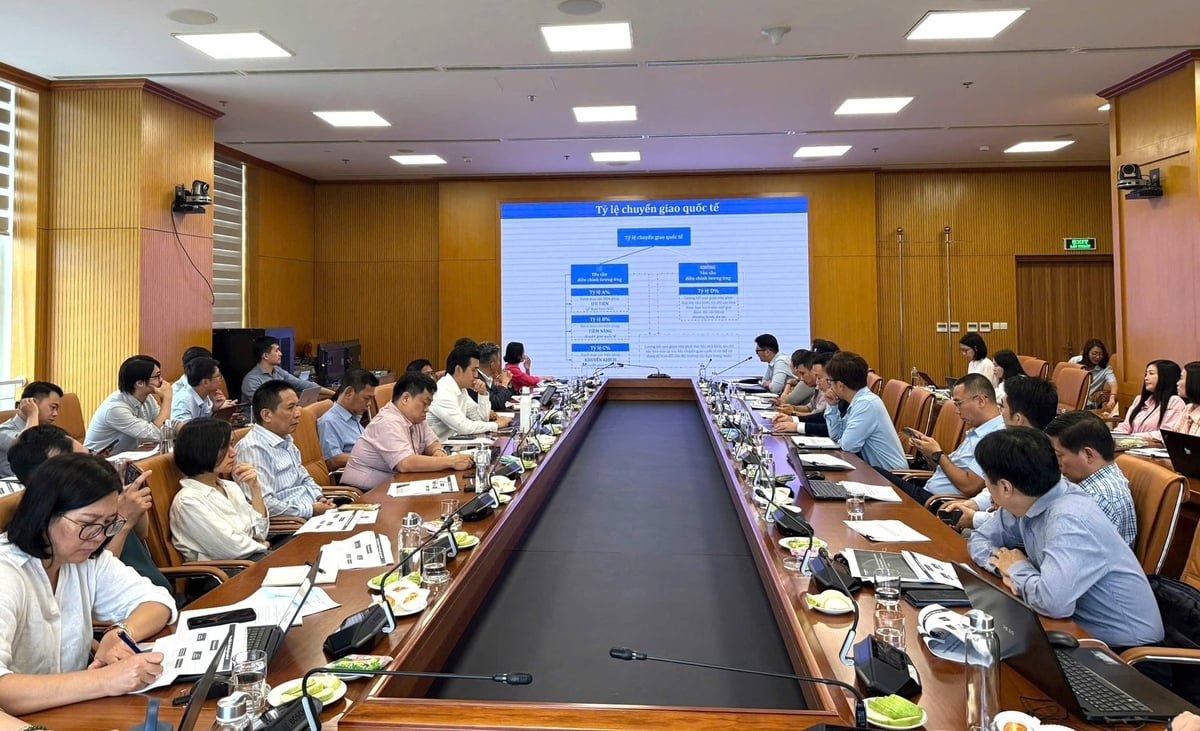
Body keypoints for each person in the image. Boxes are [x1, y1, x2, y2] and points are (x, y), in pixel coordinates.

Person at [0, 453, 175, 715]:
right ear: (44, 513)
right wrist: (106, 680)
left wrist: (120, 633)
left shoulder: (84, 559)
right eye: (88, 524)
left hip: (72, 711)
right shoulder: (7, 574)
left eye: (108, 524)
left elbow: (158, 601)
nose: (100, 537)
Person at [966, 428, 1162, 649]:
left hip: (1124, 654)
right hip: (1067, 629)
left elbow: (1053, 603)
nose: (986, 487)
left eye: (986, 480)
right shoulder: (1029, 498)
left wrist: (1016, 569)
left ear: (1004, 487)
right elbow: (979, 539)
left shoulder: (1068, 519)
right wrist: (1003, 565)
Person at [8, 426, 169, 594]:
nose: (93, 466)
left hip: (147, 591)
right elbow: (93, 580)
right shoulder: (53, 530)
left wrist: (122, 496)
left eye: (90, 457)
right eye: (81, 462)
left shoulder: (99, 501)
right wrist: (124, 519)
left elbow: (142, 534)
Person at [944, 376, 1059, 529]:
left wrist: (974, 518)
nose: (999, 412)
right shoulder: (1016, 446)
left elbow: (1019, 521)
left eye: (1002, 406)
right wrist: (974, 504)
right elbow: (994, 487)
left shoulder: (1043, 458)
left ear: (1018, 418)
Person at [341, 372, 474, 488]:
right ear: (405, 398)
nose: (427, 408)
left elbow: (432, 442)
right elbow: (405, 463)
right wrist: (450, 461)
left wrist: (438, 453)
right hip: (362, 493)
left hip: (395, 485)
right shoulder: (388, 422)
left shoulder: (415, 417)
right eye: (425, 403)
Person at [887, 374, 1004, 504]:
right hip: (928, 491)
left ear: (981, 401)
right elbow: (948, 468)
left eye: (959, 403)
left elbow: (970, 487)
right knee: (876, 478)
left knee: (877, 475)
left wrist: (939, 454)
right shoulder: (977, 430)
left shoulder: (995, 437)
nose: (957, 411)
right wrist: (929, 453)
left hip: (938, 502)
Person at [170, 418, 269, 562]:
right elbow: (233, 548)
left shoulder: (230, 486)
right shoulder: (188, 501)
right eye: (225, 448)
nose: (233, 453)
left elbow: (260, 533)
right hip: (222, 572)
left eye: (232, 445)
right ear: (202, 451)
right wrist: (261, 546)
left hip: (251, 559)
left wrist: (255, 488)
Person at [236, 381, 334, 518]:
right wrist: (311, 509)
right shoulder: (253, 449)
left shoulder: (285, 438)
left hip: (312, 513)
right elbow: (265, 504)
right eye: (290, 408)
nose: (298, 413)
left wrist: (318, 497)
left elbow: (304, 478)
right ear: (267, 415)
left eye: (297, 406)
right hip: (290, 526)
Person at [1044, 411, 1137, 547]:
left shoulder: (1098, 499)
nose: (1056, 463)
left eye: (1059, 455)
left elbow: (1072, 560)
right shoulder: (1093, 478)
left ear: (1088, 454)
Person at [821, 352, 908, 470]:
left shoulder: (866, 404)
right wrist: (832, 406)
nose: (829, 386)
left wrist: (841, 441)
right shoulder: (859, 400)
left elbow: (848, 446)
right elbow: (836, 435)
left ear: (841, 385)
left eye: (830, 381)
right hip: (873, 471)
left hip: (891, 476)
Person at [84, 356, 172, 454]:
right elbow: (157, 434)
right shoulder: (115, 409)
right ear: (139, 383)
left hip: (125, 458)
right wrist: (167, 398)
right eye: (157, 376)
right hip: (98, 462)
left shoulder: (147, 398)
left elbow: (164, 426)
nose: (161, 380)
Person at [428, 346, 512, 441]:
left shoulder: (461, 389)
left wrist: (483, 394)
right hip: (437, 451)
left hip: (454, 445)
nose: (476, 375)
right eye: (473, 370)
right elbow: (463, 427)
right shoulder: (443, 391)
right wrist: (496, 424)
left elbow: (480, 419)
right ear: (458, 370)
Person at [239, 336, 331, 415]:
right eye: (276, 351)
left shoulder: (278, 371)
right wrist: (293, 405)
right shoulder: (251, 380)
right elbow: (264, 405)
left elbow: (301, 384)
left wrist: (334, 394)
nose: (280, 354)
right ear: (266, 356)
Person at [317, 368, 379, 470]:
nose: (369, 404)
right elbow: (332, 460)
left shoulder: (354, 417)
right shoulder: (329, 422)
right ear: (349, 392)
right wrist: (371, 459)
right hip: (355, 475)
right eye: (366, 398)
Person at [0, 381, 62, 479]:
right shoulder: (3, 431)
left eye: (57, 409)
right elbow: (27, 447)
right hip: (16, 490)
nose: (55, 414)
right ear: (32, 403)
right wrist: (32, 414)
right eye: (53, 407)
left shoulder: (46, 430)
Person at [1114, 359, 1184, 441]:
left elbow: (1166, 433)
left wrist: (1134, 437)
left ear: (1165, 377)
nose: (1146, 378)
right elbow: (1126, 426)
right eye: (1146, 374)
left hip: (1153, 449)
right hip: (1132, 446)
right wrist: (1113, 436)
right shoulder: (1139, 399)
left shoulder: (1174, 402)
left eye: (1151, 373)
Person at [169, 356, 226, 423]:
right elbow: (185, 431)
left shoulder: (204, 395)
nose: (221, 379)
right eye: (218, 376)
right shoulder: (183, 402)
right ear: (205, 382)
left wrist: (214, 409)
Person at [1069, 339, 1119, 411]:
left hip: (1089, 405)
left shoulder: (1105, 369)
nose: (1098, 357)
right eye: (1094, 353)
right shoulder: (1074, 361)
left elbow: (1113, 383)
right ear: (1087, 353)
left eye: (1101, 354)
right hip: (1071, 402)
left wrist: (1112, 398)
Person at [775, 350, 823, 417]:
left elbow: (816, 416)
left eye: (803, 373)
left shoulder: (825, 389)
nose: (802, 379)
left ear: (813, 370)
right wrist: (792, 408)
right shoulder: (818, 386)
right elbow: (810, 407)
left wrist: (793, 413)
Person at [477, 341, 515, 412]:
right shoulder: (477, 380)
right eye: (499, 361)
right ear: (492, 365)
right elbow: (496, 404)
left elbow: (505, 398)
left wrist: (507, 384)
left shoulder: (488, 377)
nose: (500, 364)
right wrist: (504, 384)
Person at [1170, 361, 1200, 436]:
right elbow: (1174, 437)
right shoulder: (1188, 408)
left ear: (1194, 381)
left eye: (1181, 378)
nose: (1177, 383)